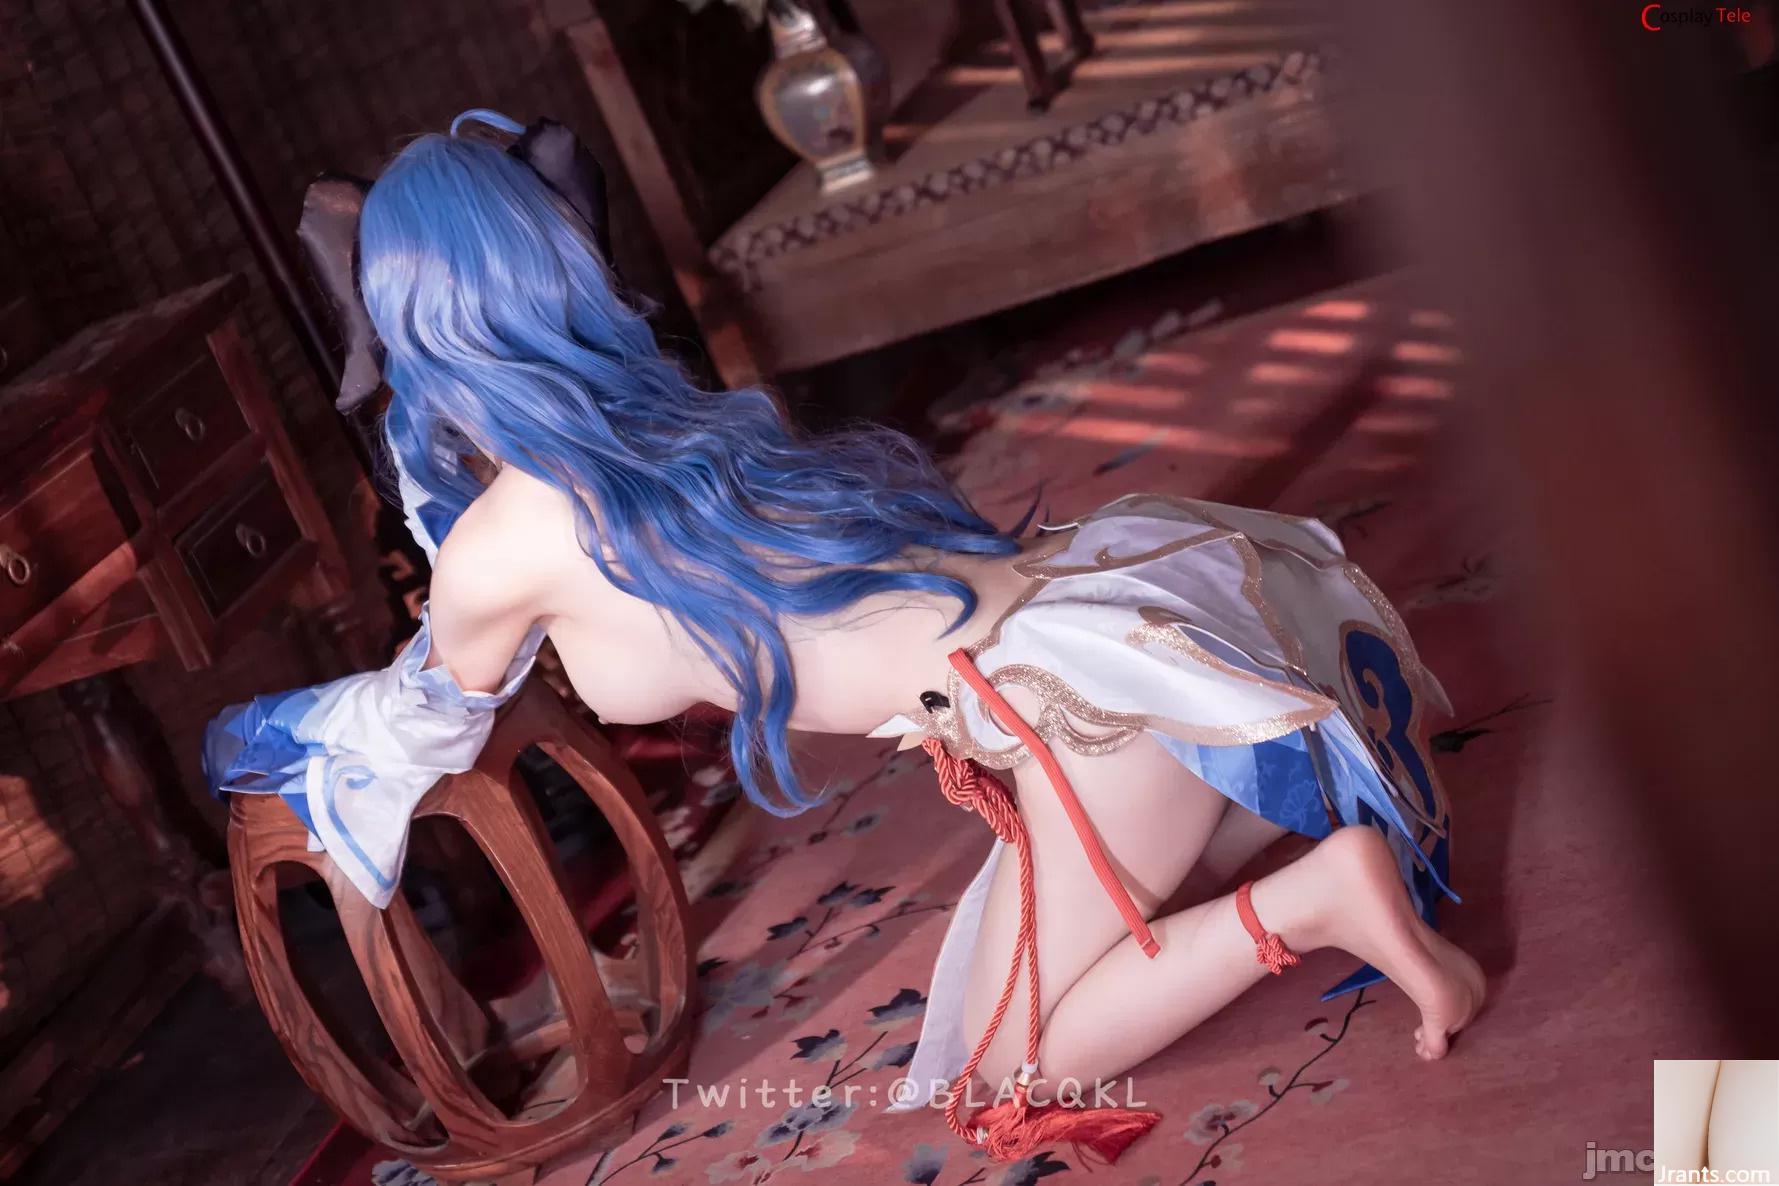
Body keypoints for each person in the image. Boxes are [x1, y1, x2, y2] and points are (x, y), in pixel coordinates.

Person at [209, 110, 1483, 1164]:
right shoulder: (678, 429)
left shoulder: (496, 548)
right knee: (1055, 949)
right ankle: (1252, 819)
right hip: (1114, 616)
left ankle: (1321, 894)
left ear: (411, 331)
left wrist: (261, 729)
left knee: (1001, 1072)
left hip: (1085, 713)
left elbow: (428, 711)